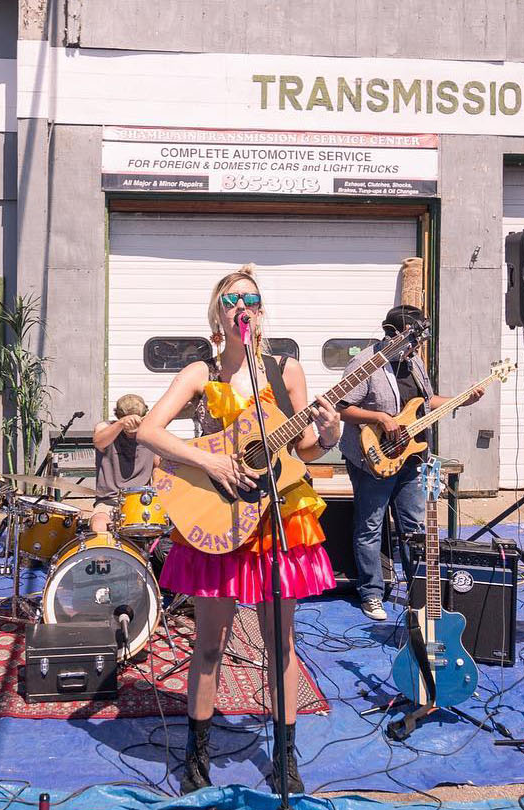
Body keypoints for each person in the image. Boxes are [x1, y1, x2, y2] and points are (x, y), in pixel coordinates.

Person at [136, 264, 342, 795]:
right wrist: (213, 464)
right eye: (230, 300)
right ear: (217, 315)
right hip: (220, 516)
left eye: (250, 298)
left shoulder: (286, 371)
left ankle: (286, 759)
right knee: (209, 645)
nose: (241, 306)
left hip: (278, 519)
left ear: (261, 311)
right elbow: (149, 431)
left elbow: (304, 450)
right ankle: (198, 759)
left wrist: (331, 432)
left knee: (282, 643)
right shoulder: (200, 375)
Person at [336, 304, 483, 622]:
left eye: (419, 341)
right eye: (412, 340)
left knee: (415, 528)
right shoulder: (364, 364)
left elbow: (426, 402)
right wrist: (378, 416)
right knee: (370, 527)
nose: (416, 347)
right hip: (372, 458)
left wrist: (463, 399)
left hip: (413, 457)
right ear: (393, 334)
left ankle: (418, 593)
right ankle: (371, 593)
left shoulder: (414, 362)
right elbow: (342, 407)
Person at [89, 394, 158, 535]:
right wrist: (121, 424)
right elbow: (99, 441)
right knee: (99, 526)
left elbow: (159, 466)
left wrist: (155, 491)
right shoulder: (106, 428)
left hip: (141, 499)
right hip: (109, 501)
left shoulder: (152, 434)